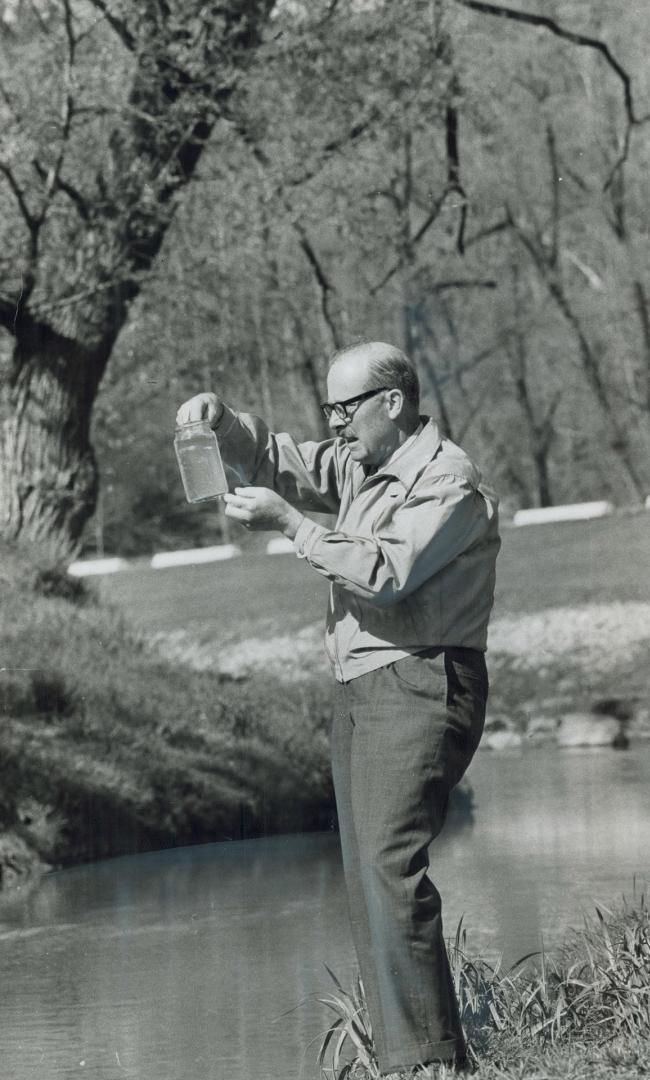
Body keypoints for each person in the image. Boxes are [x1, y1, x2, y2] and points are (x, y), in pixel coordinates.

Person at [176, 341, 500, 1078]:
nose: (335, 425)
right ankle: (408, 1060)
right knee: (365, 875)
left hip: (420, 681)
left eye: (344, 409)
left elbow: (384, 572)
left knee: (390, 866)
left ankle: (430, 1064)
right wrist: (222, 422)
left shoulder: (446, 481)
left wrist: (292, 526)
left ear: (392, 402)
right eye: (330, 410)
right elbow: (284, 460)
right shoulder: (362, 462)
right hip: (363, 686)